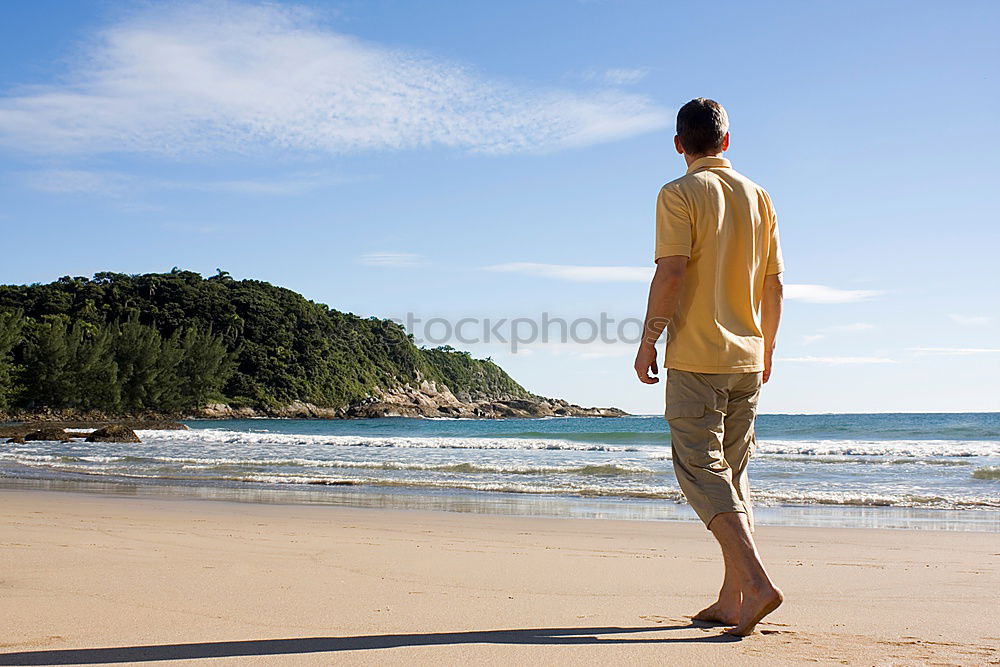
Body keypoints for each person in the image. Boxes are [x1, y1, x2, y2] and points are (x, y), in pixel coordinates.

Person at [633, 98, 785, 637]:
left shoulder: (677, 193)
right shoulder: (759, 196)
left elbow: (670, 274)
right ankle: (733, 597)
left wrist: (648, 341)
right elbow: (774, 284)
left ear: (679, 145)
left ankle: (759, 583)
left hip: (696, 356)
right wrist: (766, 348)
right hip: (746, 357)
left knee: (700, 470)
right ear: (726, 141)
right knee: (733, 476)